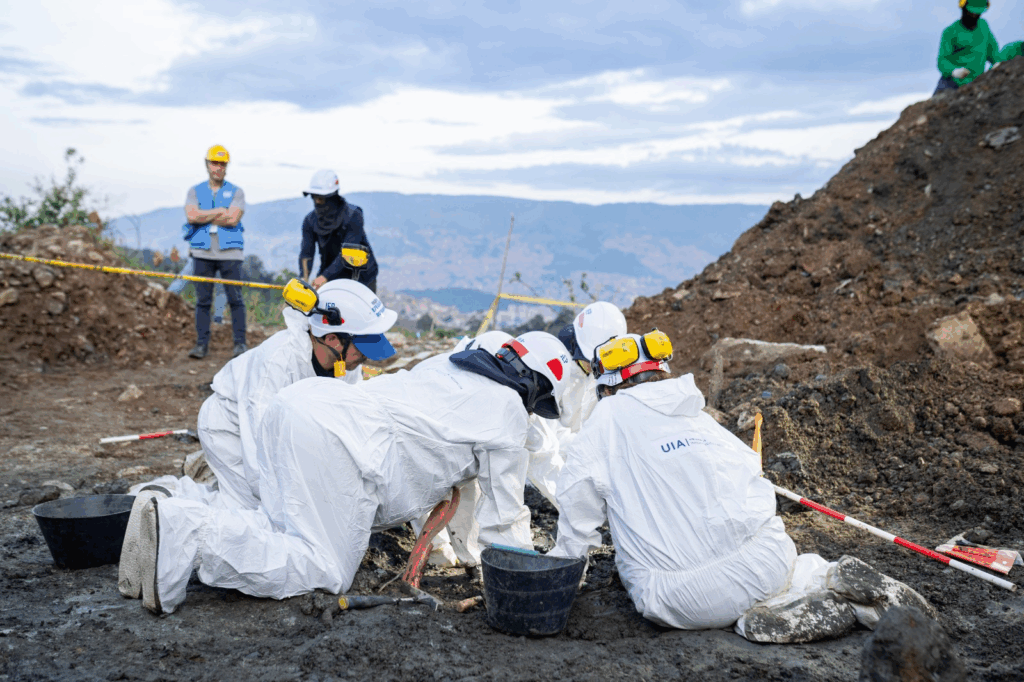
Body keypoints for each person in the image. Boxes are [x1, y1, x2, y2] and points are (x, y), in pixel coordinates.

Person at [125, 331, 572, 614]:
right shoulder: (507, 413)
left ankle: (173, 509)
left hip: (301, 405)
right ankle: (186, 531)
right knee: (323, 568)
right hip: (340, 442)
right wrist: (535, 576)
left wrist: (459, 553)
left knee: (279, 522)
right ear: (536, 387)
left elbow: (450, 480)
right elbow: (507, 519)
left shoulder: (447, 368)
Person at [550, 332, 934, 641]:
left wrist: (560, 581)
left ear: (607, 386)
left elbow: (577, 517)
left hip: (681, 597)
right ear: (661, 373)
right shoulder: (697, 418)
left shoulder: (604, 424)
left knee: (681, 595)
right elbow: (753, 475)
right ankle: (822, 582)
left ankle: (752, 622)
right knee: (783, 563)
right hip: (768, 559)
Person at [118, 280, 398, 598]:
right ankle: (166, 501)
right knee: (258, 514)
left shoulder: (343, 362)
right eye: (363, 347)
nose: (364, 358)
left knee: (281, 505)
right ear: (332, 337)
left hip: (281, 431)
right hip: (233, 430)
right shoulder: (277, 363)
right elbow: (259, 456)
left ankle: (187, 488)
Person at [182, 145, 248, 359]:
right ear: (207, 164)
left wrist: (204, 215)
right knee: (203, 301)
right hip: (202, 251)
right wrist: (219, 211)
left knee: (235, 299)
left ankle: (240, 344)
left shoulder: (237, 191)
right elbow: (191, 216)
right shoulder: (195, 190)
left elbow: (232, 219)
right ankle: (201, 345)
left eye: (222, 164)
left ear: (226, 167)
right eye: (215, 163)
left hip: (230, 252)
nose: (218, 168)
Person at [298, 170, 378, 292]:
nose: (317, 202)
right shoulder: (310, 221)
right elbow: (306, 253)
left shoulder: (353, 215)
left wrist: (325, 276)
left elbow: (350, 251)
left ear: (332, 197)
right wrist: (303, 279)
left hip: (361, 276)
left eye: (321, 198)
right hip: (330, 273)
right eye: (314, 197)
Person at [935, 0, 1007, 94]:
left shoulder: (983, 26)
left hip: (975, 83)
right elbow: (942, 60)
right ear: (963, 8)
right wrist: (954, 71)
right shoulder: (950, 32)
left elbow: (992, 51)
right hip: (951, 84)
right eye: (971, 12)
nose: (974, 16)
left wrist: (997, 62)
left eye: (977, 13)